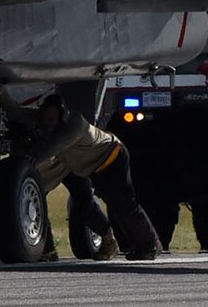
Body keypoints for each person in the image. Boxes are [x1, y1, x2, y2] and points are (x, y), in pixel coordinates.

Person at [30, 93, 163, 260]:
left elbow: (50, 150)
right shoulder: (49, 125)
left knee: (123, 205)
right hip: (79, 167)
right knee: (82, 204)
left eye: (52, 116)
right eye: (45, 117)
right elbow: (19, 113)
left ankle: (150, 245)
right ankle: (102, 242)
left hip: (111, 158)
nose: (48, 121)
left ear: (63, 115)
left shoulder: (74, 125)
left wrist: (27, 161)